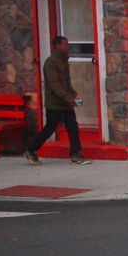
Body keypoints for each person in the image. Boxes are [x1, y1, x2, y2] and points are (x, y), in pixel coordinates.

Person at [24, 36, 91, 165]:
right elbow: (55, 85)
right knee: (50, 128)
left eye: (68, 45)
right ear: (57, 46)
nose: (68, 47)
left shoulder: (64, 61)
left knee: (72, 127)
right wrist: (67, 97)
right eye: (65, 45)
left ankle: (76, 154)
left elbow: (66, 83)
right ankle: (31, 149)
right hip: (55, 104)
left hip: (65, 103)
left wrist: (72, 93)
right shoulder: (51, 63)